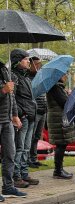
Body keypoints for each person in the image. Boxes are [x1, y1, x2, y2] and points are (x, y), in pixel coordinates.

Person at [11, 49, 39, 187]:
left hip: (31, 116)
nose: (29, 61)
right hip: (23, 117)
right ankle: (16, 177)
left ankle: (24, 173)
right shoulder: (13, 77)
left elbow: (29, 97)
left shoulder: (26, 77)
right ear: (18, 61)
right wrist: (21, 114)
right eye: (26, 59)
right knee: (19, 148)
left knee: (26, 148)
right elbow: (13, 98)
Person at [0, 61, 26, 201]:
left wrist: (15, 115)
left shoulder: (4, 69)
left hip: (6, 119)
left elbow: (11, 96)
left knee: (10, 154)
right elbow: (5, 91)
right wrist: (3, 90)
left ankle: (8, 186)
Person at [46, 73, 75, 179]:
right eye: (64, 74)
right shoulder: (56, 87)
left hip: (58, 118)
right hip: (57, 119)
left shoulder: (57, 86)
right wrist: (69, 96)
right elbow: (64, 103)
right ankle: (58, 171)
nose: (66, 76)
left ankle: (59, 169)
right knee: (61, 144)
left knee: (62, 144)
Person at [28, 56, 46, 168]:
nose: (38, 66)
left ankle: (34, 158)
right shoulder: (29, 78)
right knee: (31, 136)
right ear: (31, 65)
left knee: (37, 137)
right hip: (34, 110)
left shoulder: (41, 76)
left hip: (43, 110)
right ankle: (28, 159)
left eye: (39, 64)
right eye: (36, 64)